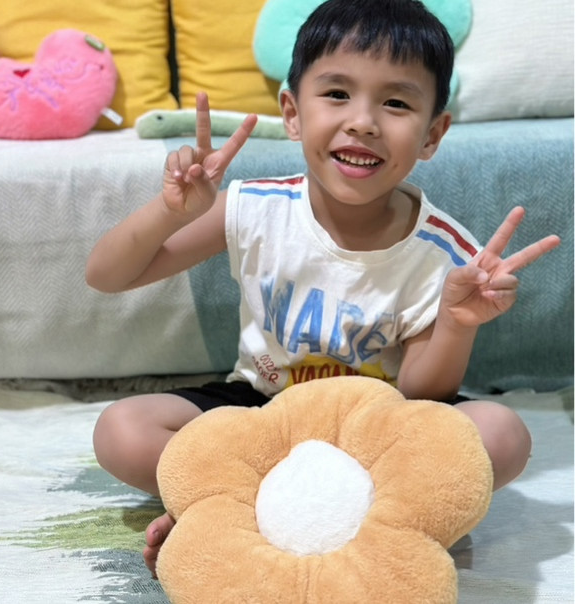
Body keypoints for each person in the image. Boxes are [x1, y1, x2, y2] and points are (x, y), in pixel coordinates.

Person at [86, 0, 560, 578]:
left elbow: (424, 392)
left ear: (433, 134)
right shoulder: (255, 208)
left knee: (502, 436)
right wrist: (169, 212)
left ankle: (239, 511)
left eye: (396, 103)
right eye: (337, 94)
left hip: (379, 433)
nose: (363, 121)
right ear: (292, 113)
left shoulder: (446, 252)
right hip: (262, 416)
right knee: (122, 430)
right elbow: (107, 275)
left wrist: (457, 324)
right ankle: (319, 515)